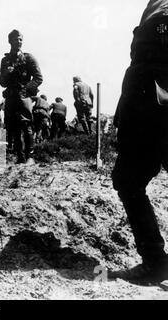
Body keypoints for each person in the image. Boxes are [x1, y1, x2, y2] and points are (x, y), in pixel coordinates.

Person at [109, 0, 168, 284]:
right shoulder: (155, 6)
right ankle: (155, 261)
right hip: (145, 104)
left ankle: (155, 262)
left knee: (129, 180)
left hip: (154, 108)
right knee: (128, 180)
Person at [0, 29, 43, 164]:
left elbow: (38, 78)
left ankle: (30, 156)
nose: (18, 42)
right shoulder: (5, 60)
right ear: (10, 41)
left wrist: (26, 89)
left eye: (20, 40)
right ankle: (20, 156)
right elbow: (2, 83)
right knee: (13, 126)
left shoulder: (28, 58)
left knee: (26, 123)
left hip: (23, 96)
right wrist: (6, 73)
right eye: (15, 39)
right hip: (11, 96)